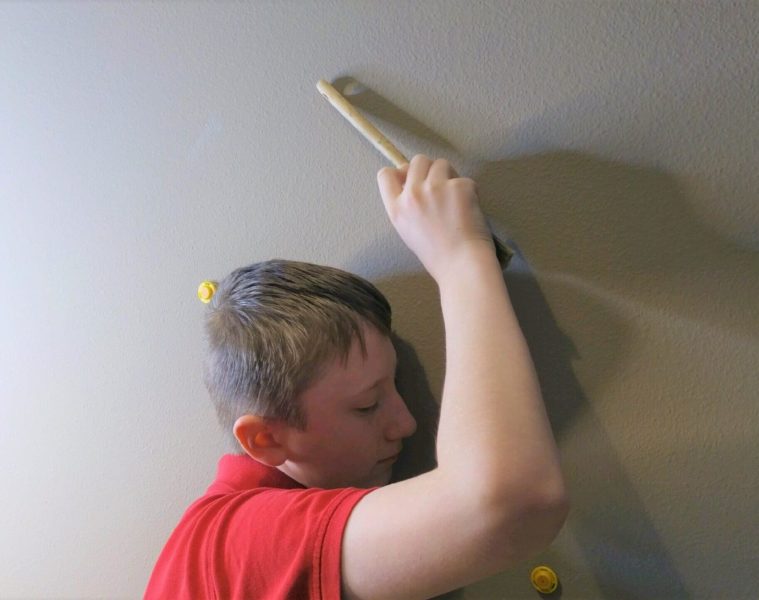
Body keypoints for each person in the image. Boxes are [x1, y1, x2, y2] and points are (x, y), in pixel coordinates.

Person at [144, 155, 569, 599]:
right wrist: (460, 257)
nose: (406, 423)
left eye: (394, 385)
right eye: (367, 405)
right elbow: (515, 504)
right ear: (265, 439)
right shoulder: (236, 543)